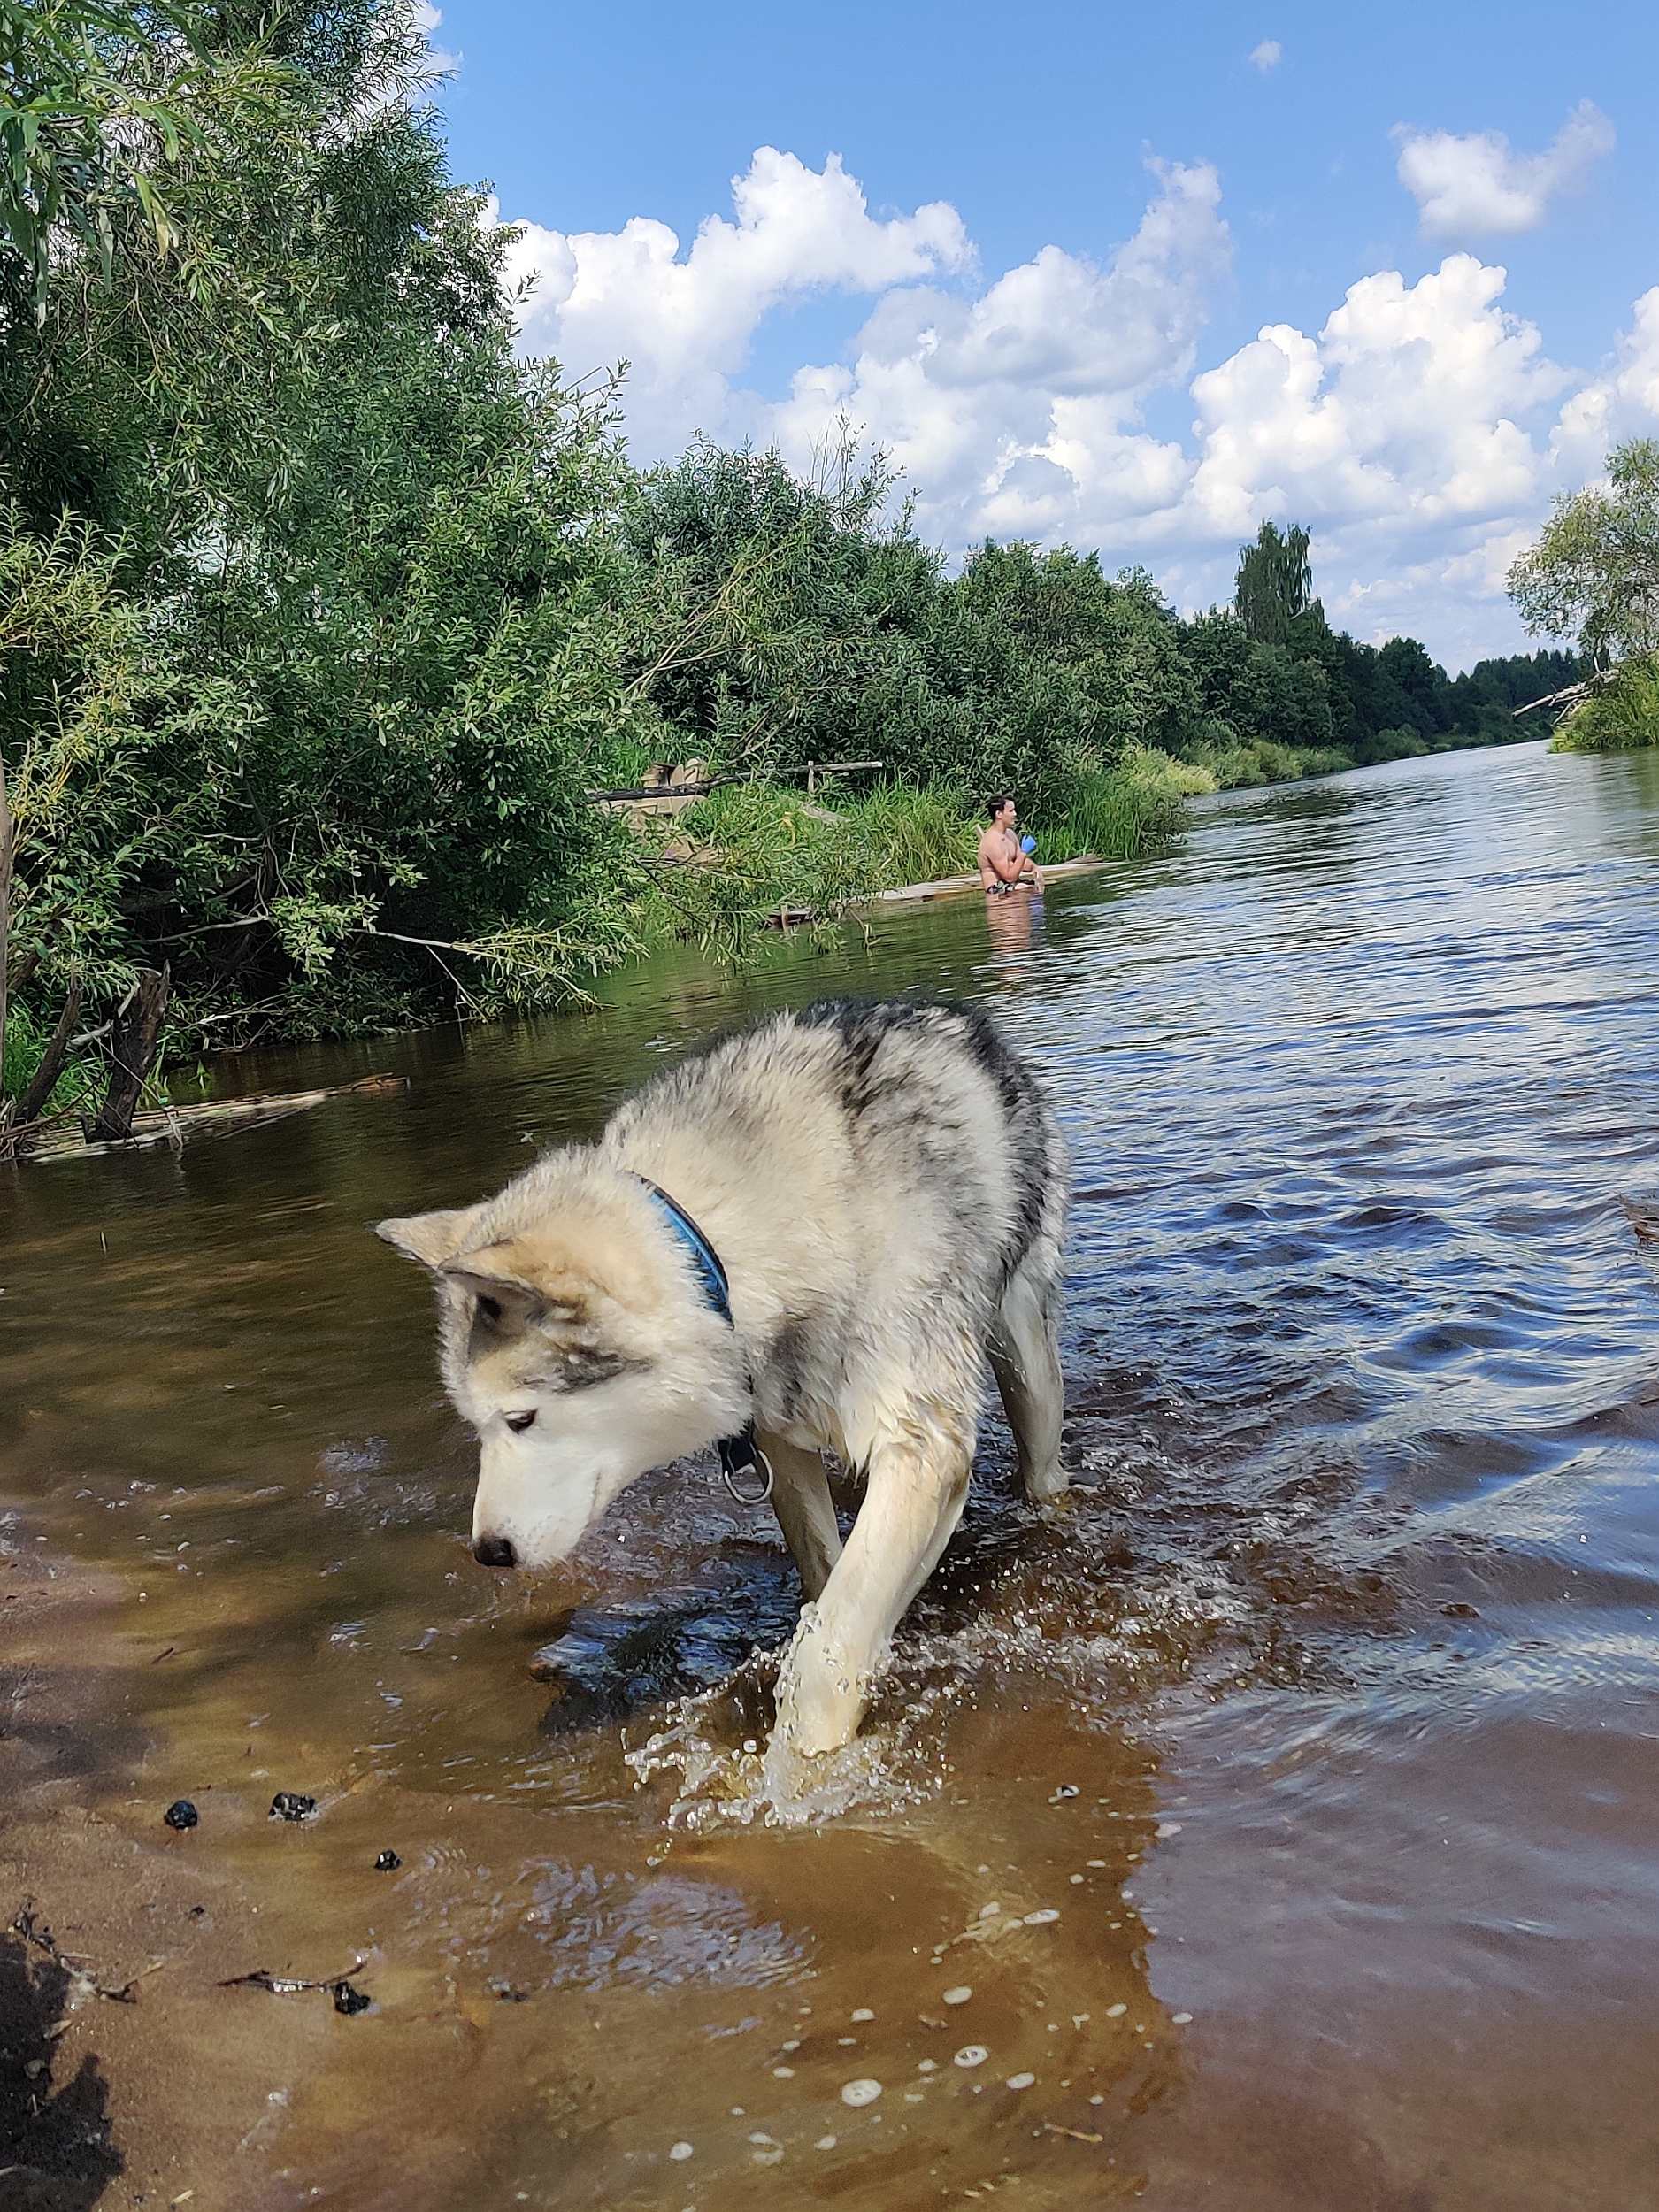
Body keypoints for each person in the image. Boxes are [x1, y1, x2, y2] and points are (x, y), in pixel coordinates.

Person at [978, 795, 1043, 895]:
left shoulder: (1010, 834)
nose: (1015, 814)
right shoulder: (992, 842)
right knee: (1024, 889)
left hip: (1013, 883)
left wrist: (1034, 868)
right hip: (996, 888)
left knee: (1038, 885)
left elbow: (1021, 862)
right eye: (1011, 811)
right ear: (999, 814)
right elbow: (1009, 877)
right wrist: (1024, 852)